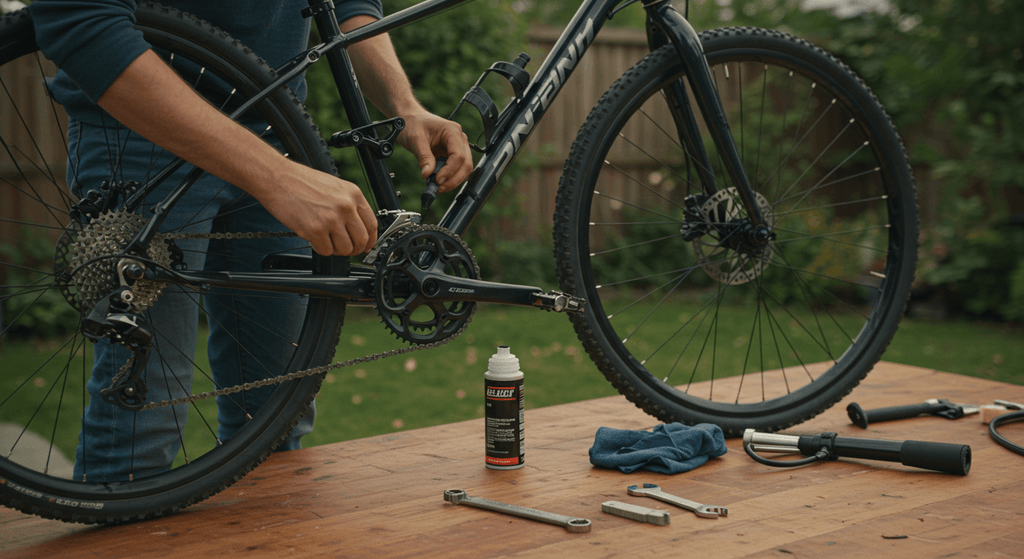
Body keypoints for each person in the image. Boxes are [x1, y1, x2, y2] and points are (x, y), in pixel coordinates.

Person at [29, 0, 473, 482]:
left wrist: (404, 107)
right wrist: (277, 178)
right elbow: (79, 18)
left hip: (277, 130)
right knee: (142, 425)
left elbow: (348, 5)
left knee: (278, 420)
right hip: (145, 133)